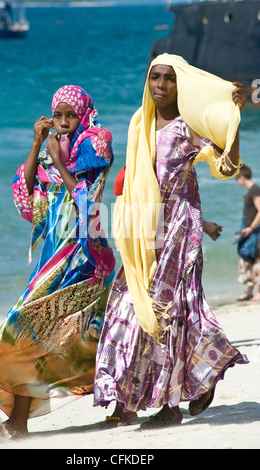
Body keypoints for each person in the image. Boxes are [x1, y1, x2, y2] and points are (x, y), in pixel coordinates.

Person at [94, 54, 248, 429]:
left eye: (168, 79)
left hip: (180, 231)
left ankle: (171, 404)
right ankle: (125, 403)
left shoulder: (188, 127)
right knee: (126, 310)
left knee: (171, 315)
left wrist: (233, 119)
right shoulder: (138, 122)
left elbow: (226, 166)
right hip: (144, 234)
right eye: (154, 78)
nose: (160, 85)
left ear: (181, 84)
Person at [0, 85, 116, 438]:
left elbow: (85, 199)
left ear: (84, 114)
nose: (63, 122)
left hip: (84, 254)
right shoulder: (47, 150)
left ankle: (124, 403)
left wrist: (59, 161)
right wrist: (36, 145)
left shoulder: (97, 143)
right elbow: (26, 195)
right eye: (57, 115)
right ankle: (18, 420)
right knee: (29, 330)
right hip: (53, 253)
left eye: (70, 115)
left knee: (90, 333)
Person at [236, 164, 260, 301]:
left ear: (242, 177)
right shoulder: (251, 190)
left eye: (237, 179)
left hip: (256, 231)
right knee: (250, 261)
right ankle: (249, 291)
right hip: (251, 230)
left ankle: (259, 293)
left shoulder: (254, 190)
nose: (237, 182)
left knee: (257, 262)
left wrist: (251, 228)